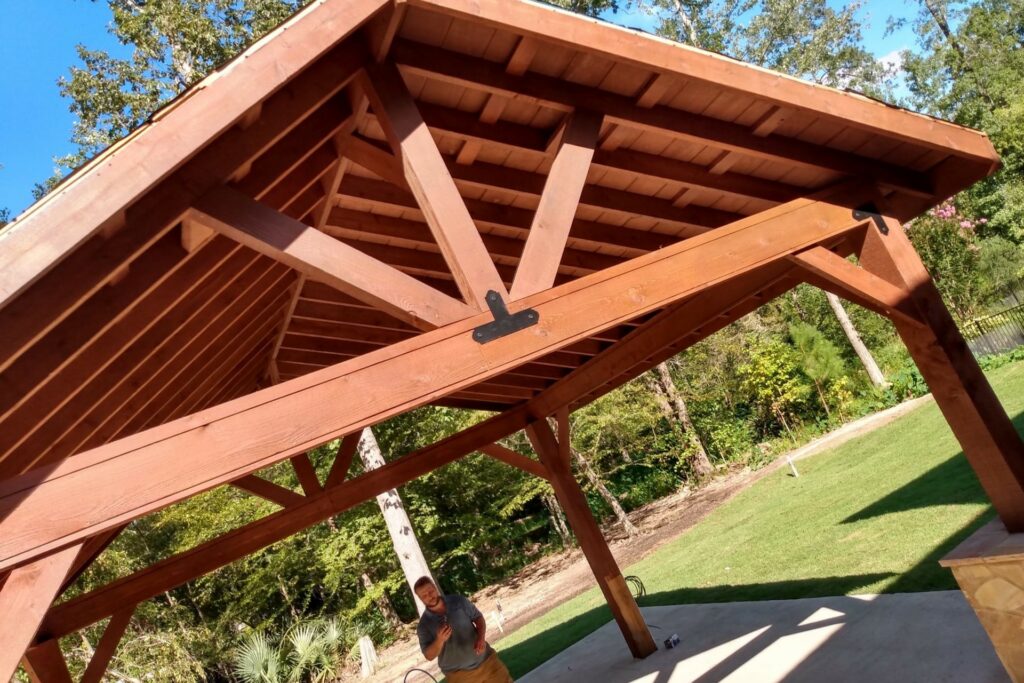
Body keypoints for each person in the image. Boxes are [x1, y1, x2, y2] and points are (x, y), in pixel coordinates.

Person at [414, 576, 514, 682]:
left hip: (488, 662)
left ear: (435, 587)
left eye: (430, 591)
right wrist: (439, 640)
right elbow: (429, 656)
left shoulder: (458, 601)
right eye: (424, 596)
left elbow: (478, 617)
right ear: (420, 599)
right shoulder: (423, 626)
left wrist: (481, 638)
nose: (429, 596)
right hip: (460, 676)